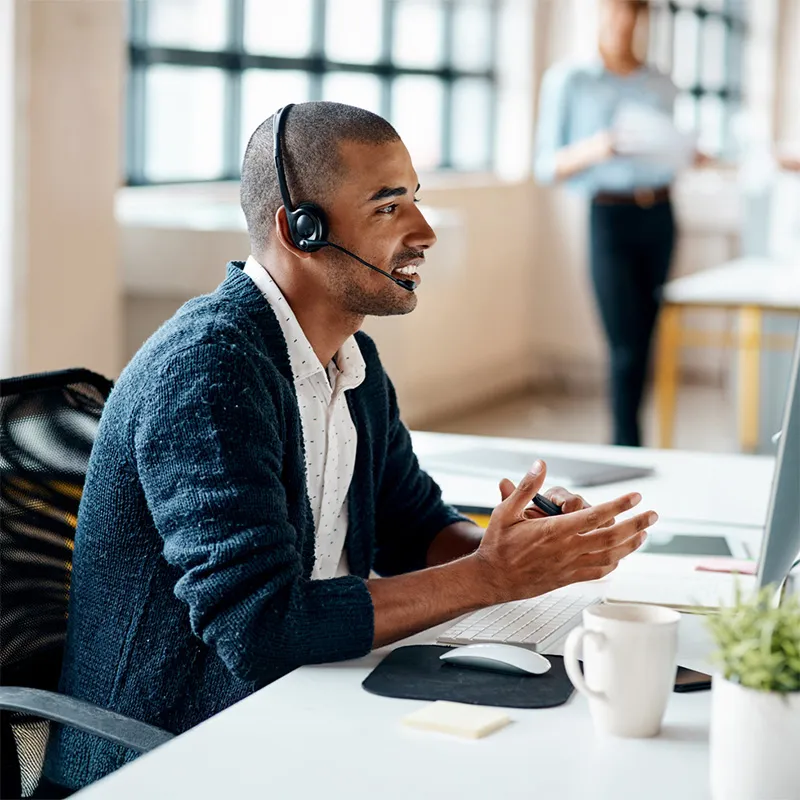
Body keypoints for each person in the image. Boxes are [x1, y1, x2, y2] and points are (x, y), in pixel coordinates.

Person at [44, 102, 657, 792]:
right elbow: (261, 628)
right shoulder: (210, 371)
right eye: (389, 209)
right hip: (173, 749)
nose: (424, 232)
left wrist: (519, 548)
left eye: (416, 202)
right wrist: (491, 576)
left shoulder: (349, 360)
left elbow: (413, 526)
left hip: (300, 702)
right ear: (299, 229)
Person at [535, 0, 688, 447]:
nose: (626, 25)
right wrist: (598, 147)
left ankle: (635, 437)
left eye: (635, 16)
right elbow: (546, 165)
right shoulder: (571, 80)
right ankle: (625, 443)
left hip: (660, 213)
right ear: (601, 16)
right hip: (608, 215)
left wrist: (683, 151)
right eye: (617, 13)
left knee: (646, 336)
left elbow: (667, 150)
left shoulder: (662, 84)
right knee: (623, 341)